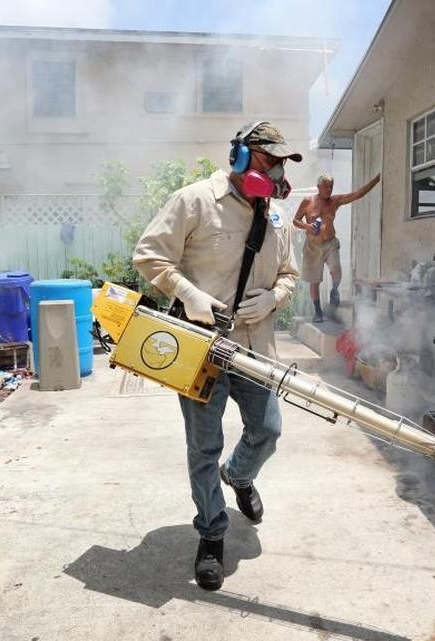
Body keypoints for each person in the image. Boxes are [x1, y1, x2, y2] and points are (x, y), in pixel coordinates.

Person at [132, 121, 301, 591]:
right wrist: (187, 293)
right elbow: (148, 255)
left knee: (267, 429)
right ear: (241, 156)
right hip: (201, 347)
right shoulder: (194, 200)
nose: (277, 170)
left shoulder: (277, 216)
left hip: (255, 346)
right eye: (269, 159)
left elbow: (289, 274)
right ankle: (211, 533)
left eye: (281, 162)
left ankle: (241, 476)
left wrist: (274, 299)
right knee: (203, 448)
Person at [293, 172, 381, 322]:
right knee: (315, 280)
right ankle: (318, 311)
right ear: (319, 187)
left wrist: (377, 179)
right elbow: (295, 220)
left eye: (331, 186)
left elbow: (357, 194)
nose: (329, 190)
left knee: (336, 270)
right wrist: (307, 226)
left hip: (330, 242)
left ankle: (334, 290)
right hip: (313, 246)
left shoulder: (335, 201)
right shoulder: (308, 201)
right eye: (326, 187)